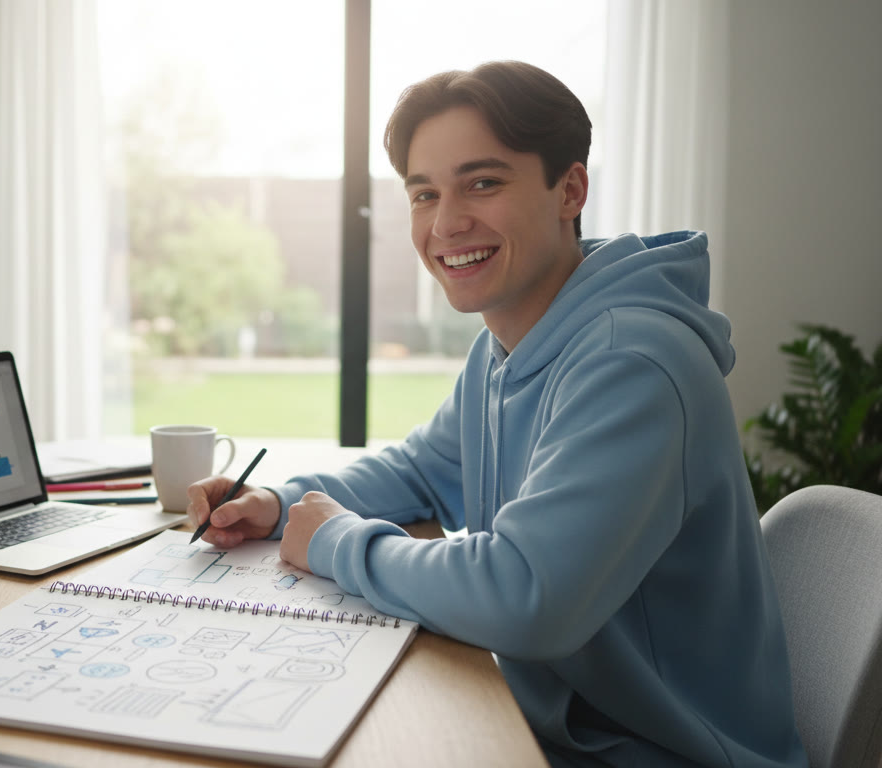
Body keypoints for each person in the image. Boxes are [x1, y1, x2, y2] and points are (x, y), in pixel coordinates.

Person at [186, 61, 806, 767]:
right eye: (425, 194)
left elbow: (525, 597)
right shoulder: (509, 344)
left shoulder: (632, 364)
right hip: (553, 733)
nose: (447, 223)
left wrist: (335, 542)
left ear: (569, 189)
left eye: (483, 183)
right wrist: (279, 502)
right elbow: (423, 471)